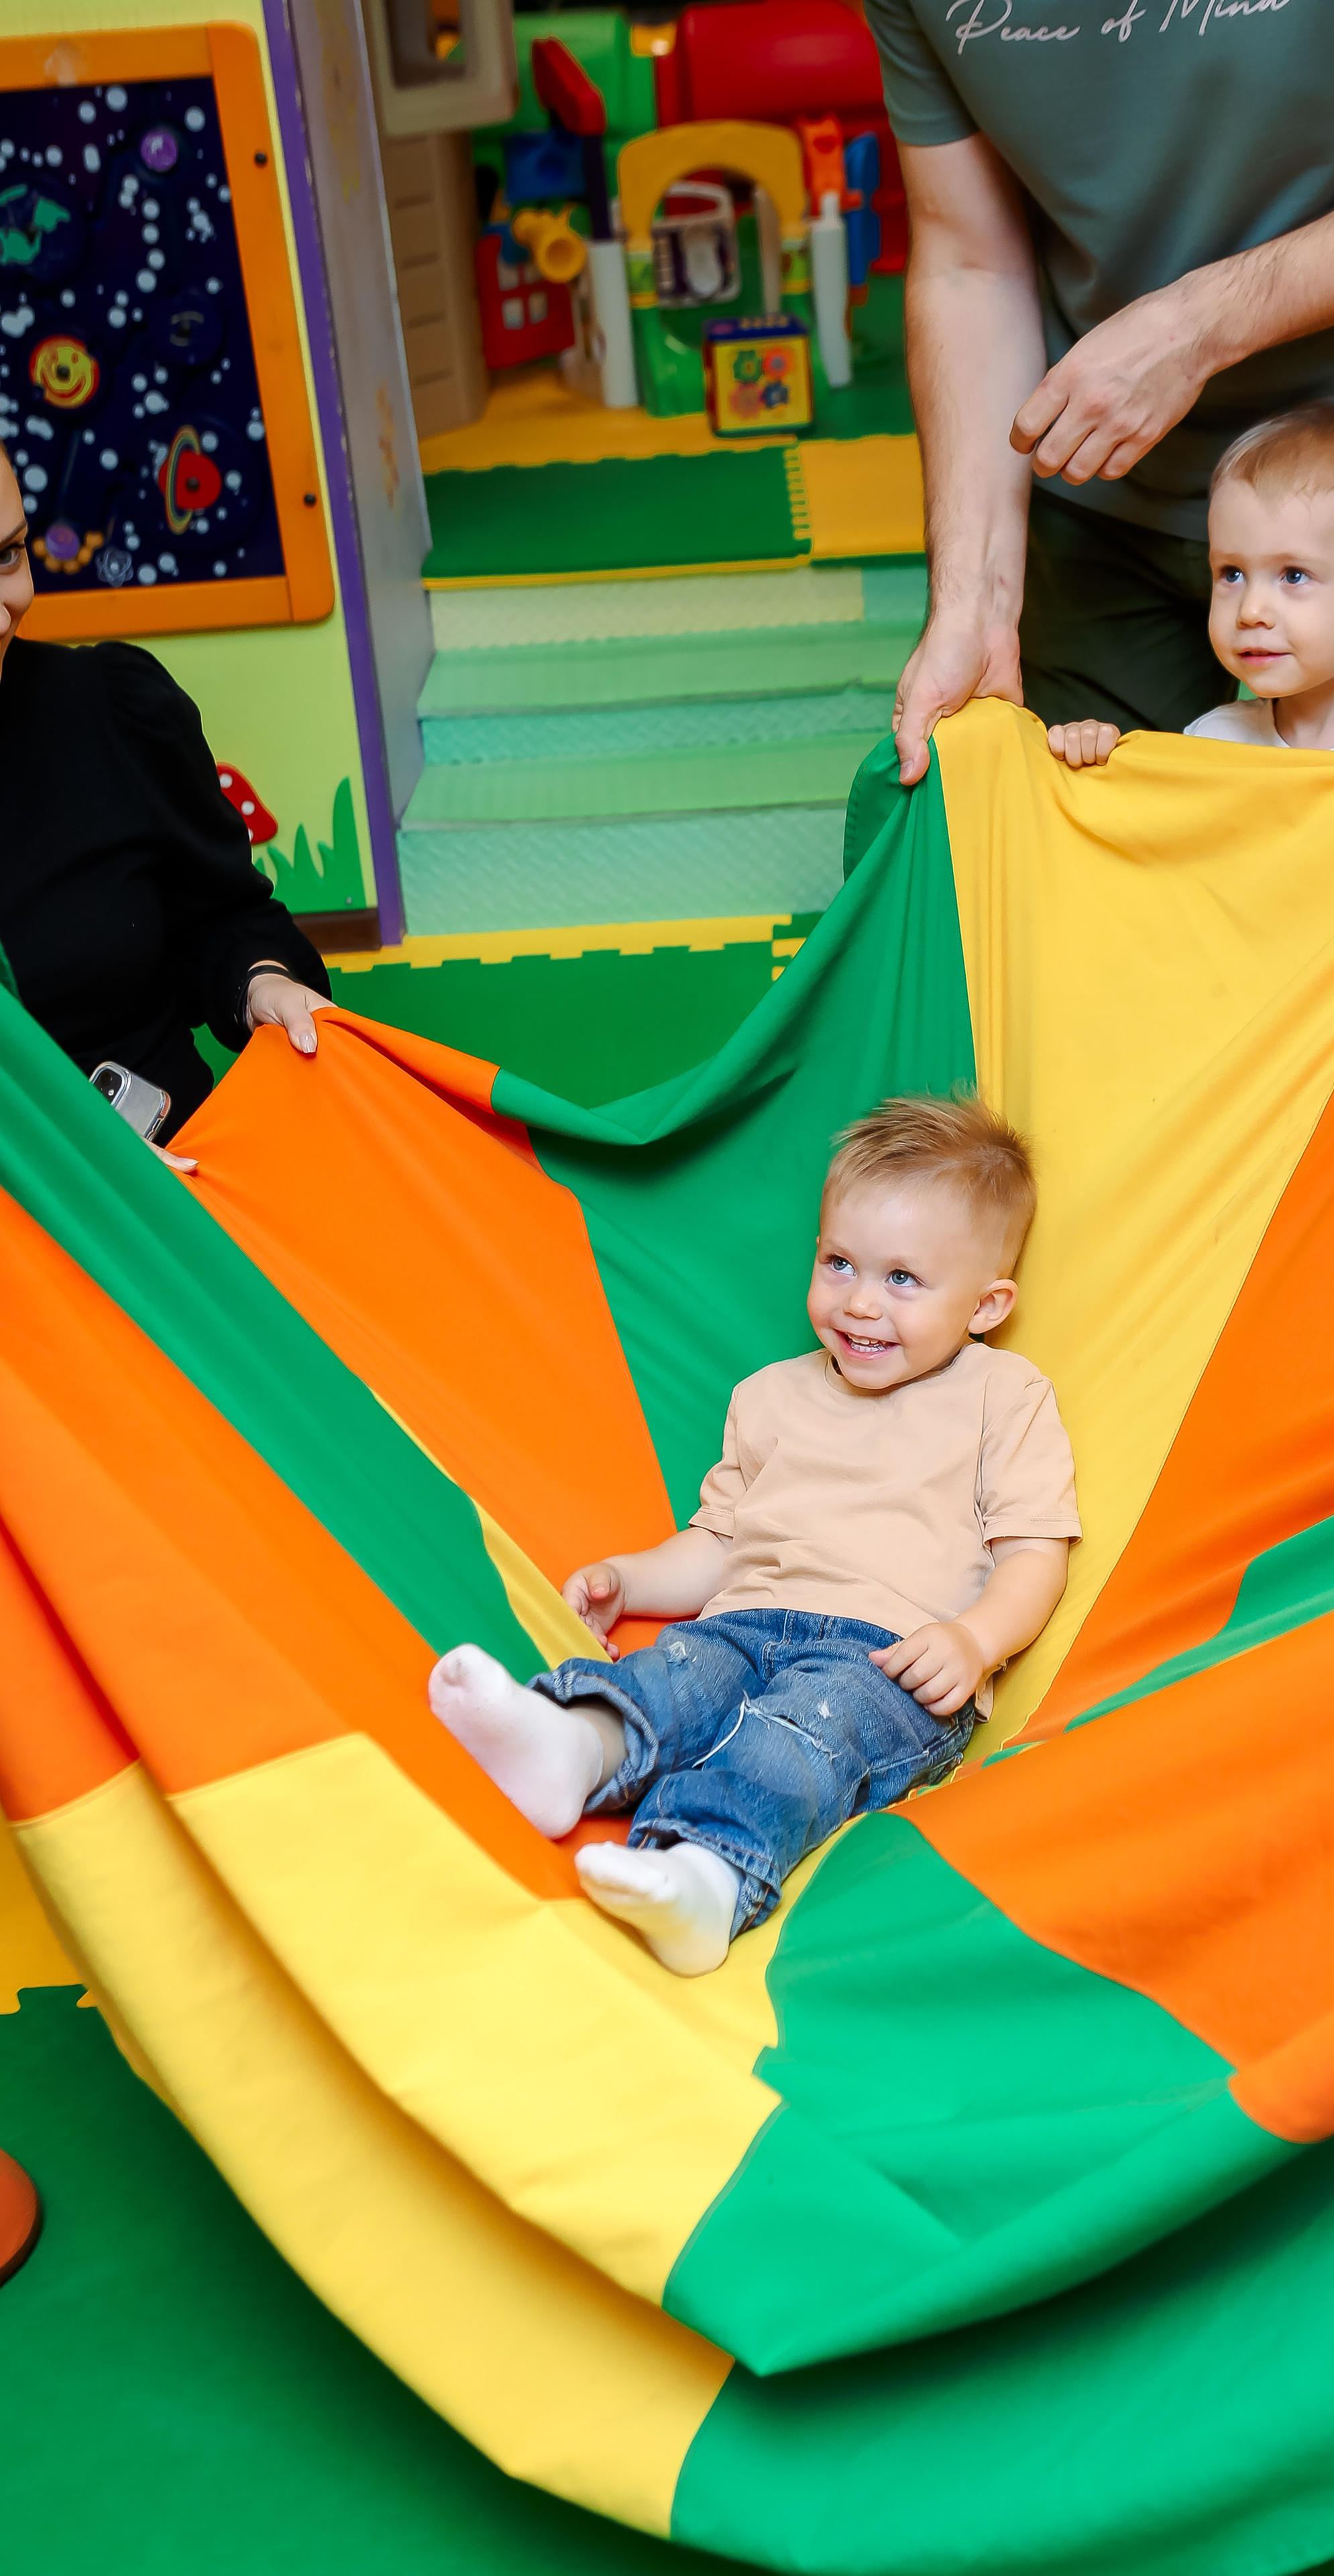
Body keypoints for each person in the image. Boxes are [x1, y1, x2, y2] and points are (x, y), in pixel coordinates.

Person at [427, 1093, 1081, 1976]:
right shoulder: (769, 1395)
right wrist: (630, 1578)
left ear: (987, 1303)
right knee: (676, 1675)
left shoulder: (1005, 1394)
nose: (859, 1304)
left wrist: (975, 1640)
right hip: (744, 1623)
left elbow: (1035, 1553)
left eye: (902, 1280)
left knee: (799, 1735)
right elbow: (718, 1544)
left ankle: (707, 1878)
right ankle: (574, 1746)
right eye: (840, 1263)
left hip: (887, 1665)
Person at [870, 0, 1334, 776]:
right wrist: (973, 605)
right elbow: (969, 261)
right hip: (1102, 476)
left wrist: (1196, 326)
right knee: (1098, 860)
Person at [0, 441, 330, 1156]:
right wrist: (74, 1169)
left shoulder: (110, 709)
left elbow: (223, 918)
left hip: (186, 1178)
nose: (3, 612)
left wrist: (259, 984)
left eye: (7, 557)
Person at [1048, 401, 1334, 788]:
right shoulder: (1208, 745)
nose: (1250, 611)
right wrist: (1096, 765)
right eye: (1231, 573)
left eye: (1293, 576)